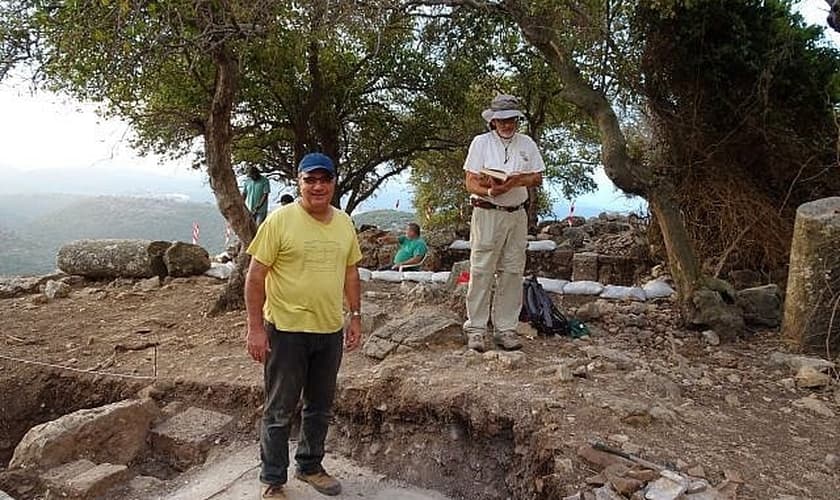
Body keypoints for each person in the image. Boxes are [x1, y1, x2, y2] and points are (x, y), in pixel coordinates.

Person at [245, 152, 363, 499]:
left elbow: (350, 271)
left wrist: (355, 316)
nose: (317, 186)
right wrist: (255, 327)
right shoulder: (279, 222)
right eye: (310, 179)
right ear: (299, 182)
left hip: (328, 331)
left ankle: (310, 466)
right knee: (280, 408)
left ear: (333, 183)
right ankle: (273, 480)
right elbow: (255, 276)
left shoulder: (344, 223)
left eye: (324, 179)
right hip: (286, 330)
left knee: (320, 406)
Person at [462, 94, 544, 352]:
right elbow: (470, 181)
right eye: (502, 120)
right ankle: (476, 329)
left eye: (511, 119)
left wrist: (515, 181)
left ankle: (505, 329)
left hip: (517, 213)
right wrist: (489, 190)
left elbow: (538, 177)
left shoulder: (527, 143)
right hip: (487, 211)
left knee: (512, 270)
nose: (507, 124)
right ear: (493, 121)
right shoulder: (481, 143)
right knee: (482, 269)